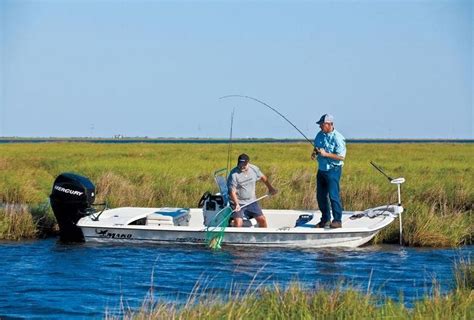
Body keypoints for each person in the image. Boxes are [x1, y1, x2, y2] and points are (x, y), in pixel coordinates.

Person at [311, 114, 346, 228]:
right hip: (321, 170)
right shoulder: (319, 135)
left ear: (330, 124)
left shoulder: (338, 138)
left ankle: (337, 220)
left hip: (333, 170)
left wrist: (326, 154)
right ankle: (325, 219)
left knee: (333, 196)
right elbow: (316, 147)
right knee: (320, 196)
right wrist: (314, 153)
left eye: (322, 124)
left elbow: (341, 157)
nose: (320, 126)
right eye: (320, 124)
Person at [227, 153, 278, 228]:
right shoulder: (233, 174)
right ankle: (238, 238)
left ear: (248, 163)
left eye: (244, 164)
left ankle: (263, 237)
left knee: (262, 219)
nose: (241, 166)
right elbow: (232, 191)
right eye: (240, 164)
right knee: (238, 223)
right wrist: (236, 204)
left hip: (252, 201)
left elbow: (263, 178)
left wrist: (271, 189)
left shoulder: (254, 169)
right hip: (239, 203)